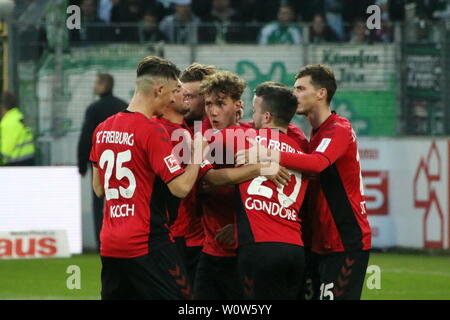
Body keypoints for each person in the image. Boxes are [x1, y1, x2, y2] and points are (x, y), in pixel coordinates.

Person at [237, 64, 372, 300]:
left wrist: (266, 152)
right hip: (317, 241)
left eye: (300, 88)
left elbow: (317, 163)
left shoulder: (339, 128)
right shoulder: (312, 133)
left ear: (321, 93)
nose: (294, 94)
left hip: (344, 240)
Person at [90, 56, 204, 300]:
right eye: (174, 91)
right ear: (159, 89)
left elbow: (99, 188)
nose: (174, 98)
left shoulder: (102, 128)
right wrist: (197, 154)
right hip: (148, 242)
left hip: (110, 243)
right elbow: (181, 188)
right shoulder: (152, 130)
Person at [207, 84, 309, 299]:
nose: (251, 116)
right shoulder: (300, 150)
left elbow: (196, 157)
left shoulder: (241, 137)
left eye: (255, 110)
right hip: (295, 248)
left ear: (267, 116)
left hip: (259, 248)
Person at [77, 73, 127, 251]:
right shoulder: (123, 106)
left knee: (99, 202)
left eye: (97, 83)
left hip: (100, 162)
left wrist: (82, 163)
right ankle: (123, 239)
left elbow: (86, 137)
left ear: (104, 85)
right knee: (123, 201)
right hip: (124, 161)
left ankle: (102, 243)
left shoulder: (94, 109)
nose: (94, 86)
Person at [0, 91, 35, 166]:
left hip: (16, 163)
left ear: (3, 106)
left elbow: (6, 149)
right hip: (28, 160)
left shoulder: (8, 122)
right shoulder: (20, 116)